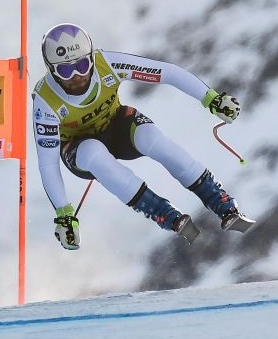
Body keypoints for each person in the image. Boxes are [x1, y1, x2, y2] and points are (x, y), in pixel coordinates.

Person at [32, 23, 254, 250]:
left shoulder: (105, 64)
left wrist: (211, 99)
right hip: (78, 150)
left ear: (91, 57)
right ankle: (164, 214)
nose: (78, 76)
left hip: (116, 128)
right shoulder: (45, 101)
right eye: (66, 71)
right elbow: (48, 162)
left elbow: (166, 73)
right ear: (51, 70)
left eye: (82, 64)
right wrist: (64, 215)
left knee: (151, 137)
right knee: (93, 152)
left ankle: (222, 203)